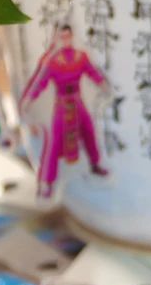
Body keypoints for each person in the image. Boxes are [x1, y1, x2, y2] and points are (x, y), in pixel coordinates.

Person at [20, 24, 108, 198]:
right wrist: (28, 100)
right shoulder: (51, 60)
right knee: (53, 141)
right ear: (56, 38)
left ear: (72, 36)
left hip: (77, 100)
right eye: (62, 36)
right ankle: (46, 183)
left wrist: (103, 85)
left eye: (68, 36)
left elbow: (92, 72)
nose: (65, 39)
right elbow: (39, 82)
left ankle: (95, 164)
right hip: (62, 104)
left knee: (89, 131)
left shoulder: (80, 56)